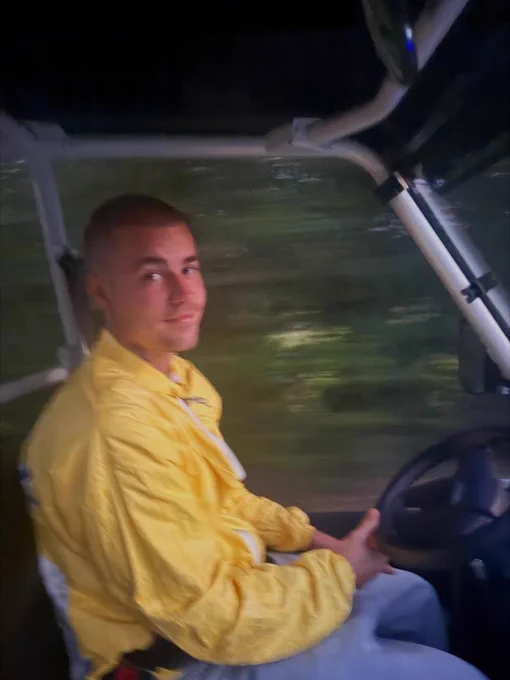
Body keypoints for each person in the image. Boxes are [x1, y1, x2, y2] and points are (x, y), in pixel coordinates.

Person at [20, 195, 486, 680]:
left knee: (412, 597)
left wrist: (313, 539)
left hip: (234, 589)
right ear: (100, 291)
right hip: (182, 659)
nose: (184, 294)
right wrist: (341, 573)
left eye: (189, 268)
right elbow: (209, 617)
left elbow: (224, 499)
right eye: (153, 276)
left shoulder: (175, 382)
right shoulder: (113, 433)